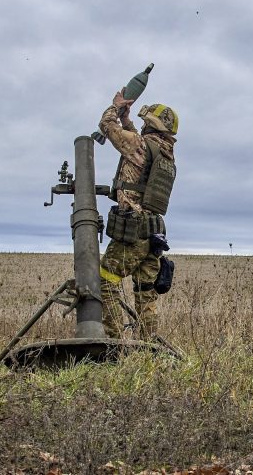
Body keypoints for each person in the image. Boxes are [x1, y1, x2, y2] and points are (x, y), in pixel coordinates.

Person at [97, 89, 179, 340]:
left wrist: (115, 107)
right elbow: (137, 140)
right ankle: (148, 349)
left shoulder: (141, 146)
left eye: (145, 123)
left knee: (105, 283)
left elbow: (106, 127)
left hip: (133, 231)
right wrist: (128, 120)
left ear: (153, 126)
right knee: (145, 292)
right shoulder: (165, 152)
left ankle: (112, 344)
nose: (141, 127)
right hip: (153, 234)